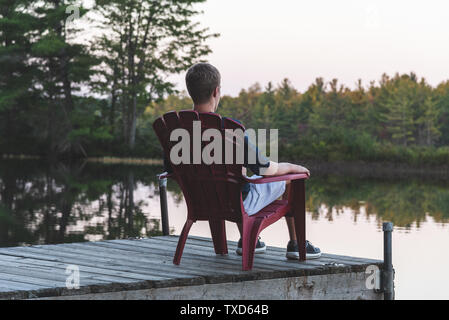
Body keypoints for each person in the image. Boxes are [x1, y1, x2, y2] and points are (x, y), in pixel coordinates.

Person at [165, 62, 321, 259]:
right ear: (216, 91)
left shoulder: (176, 131)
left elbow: (169, 169)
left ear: (191, 92)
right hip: (239, 205)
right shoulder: (229, 131)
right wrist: (291, 167)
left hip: (200, 202)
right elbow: (265, 170)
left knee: (236, 178)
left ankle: (251, 242)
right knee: (291, 178)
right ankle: (297, 245)